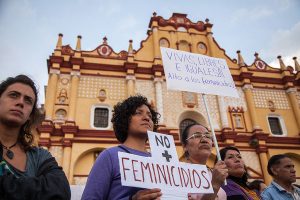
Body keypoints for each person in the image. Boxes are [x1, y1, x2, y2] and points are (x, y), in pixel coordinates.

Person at [0, 75, 70, 199]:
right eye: (13, 95)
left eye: (28, 100)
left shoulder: (40, 156)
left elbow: (61, 190)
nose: (21, 102)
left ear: (30, 115)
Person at [82, 95, 162, 200]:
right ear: (125, 119)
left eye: (150, 116)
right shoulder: (110, 156)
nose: (147, 118)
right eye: (138, 113)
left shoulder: (161, 161)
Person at [181, 123, 228, 200]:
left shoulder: (215, 174)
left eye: (208, 136)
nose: (204, 140)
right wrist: (214, 185)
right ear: (185, 146)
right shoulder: (178, 173)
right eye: (197, 136)